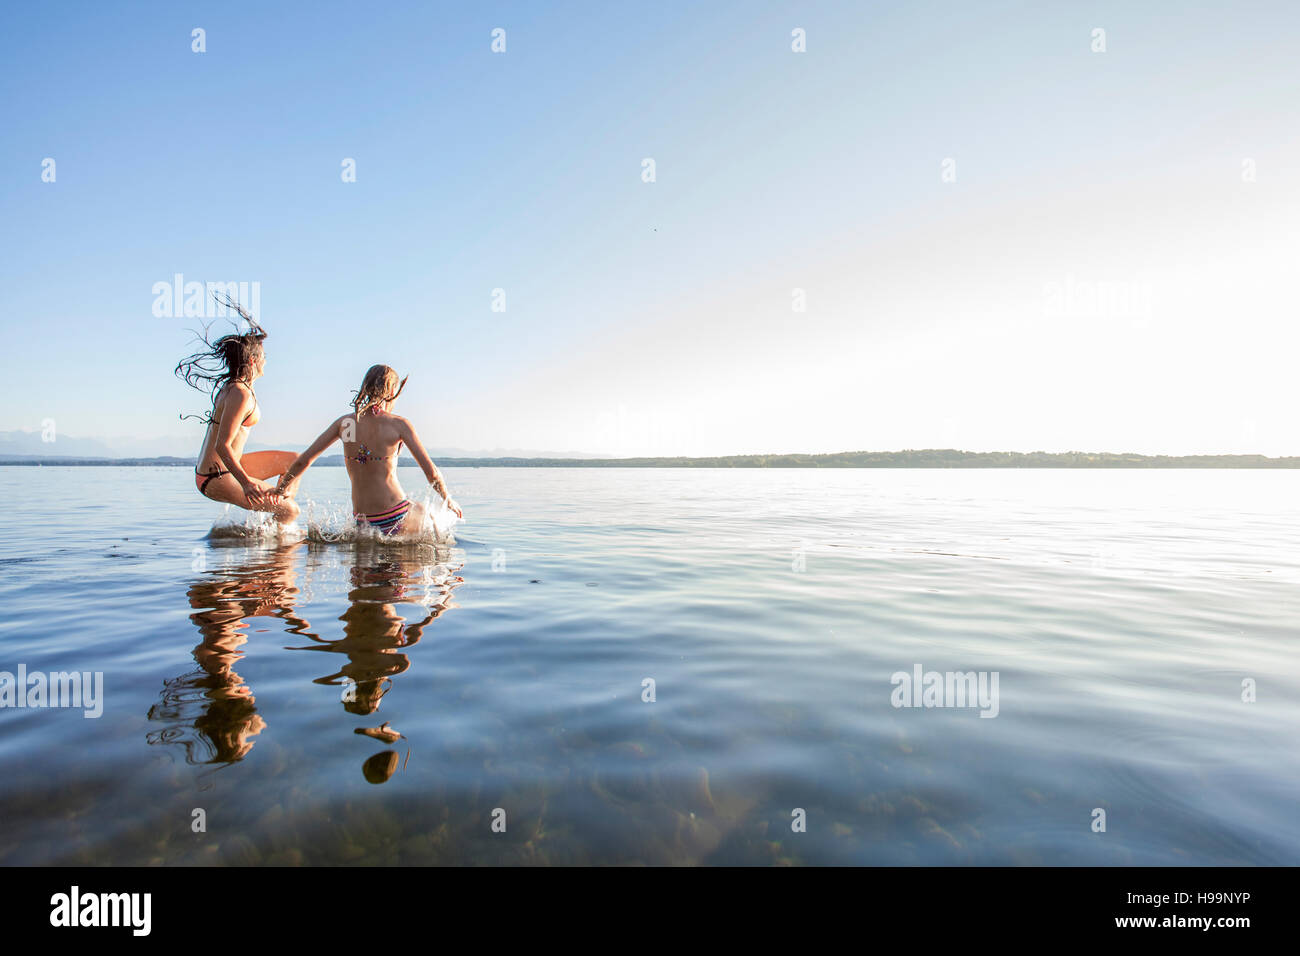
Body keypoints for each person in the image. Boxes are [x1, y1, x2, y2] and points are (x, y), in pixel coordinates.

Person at [276, 364, 461, 536]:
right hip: (396, 514)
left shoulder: (345, 424)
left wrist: (280, 490)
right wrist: (448, 499)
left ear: (365, 386)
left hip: (362, 520)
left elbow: (303, 461)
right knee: (430, 520)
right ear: (391, 391)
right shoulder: (398, 424)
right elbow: (432, 473)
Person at [176, 297, 299, 525]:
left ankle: (272, 520)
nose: (266, 361)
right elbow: (221, 445)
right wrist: (246, 483)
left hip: (226, 468)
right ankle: (273, 530)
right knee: (291, 511)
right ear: (253, 361)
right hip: (216, 476)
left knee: (294, 462)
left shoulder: (236, 388)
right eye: (264, 357)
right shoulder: (239, 394)